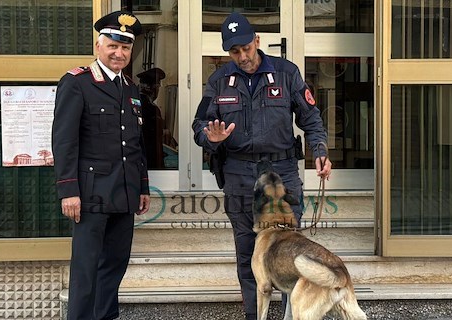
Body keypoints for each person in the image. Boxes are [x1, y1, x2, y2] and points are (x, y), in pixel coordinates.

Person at [191, 12, 332, 320]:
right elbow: (199, 125)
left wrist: (319, 150)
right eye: (234, 51)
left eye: (245, 47)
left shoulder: (286, 73)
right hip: (240, 174)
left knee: (289, 254)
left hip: (281, 173)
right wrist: (210, 137)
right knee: (247, 255)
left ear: (256, 41)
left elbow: (311, 119)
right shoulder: (219, 81)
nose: (242, 56)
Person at [52, 11, 150, 320]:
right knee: (86, 269)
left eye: (125, 48)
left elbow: (135, 145)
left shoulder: (131, 90)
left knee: (115, 265)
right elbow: (64, 140)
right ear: (99, 46)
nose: (119, 53)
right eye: (113, 46)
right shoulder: (77, 83)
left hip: (124, 193)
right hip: (90, 195)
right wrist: (68, 190)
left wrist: (142, 187)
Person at [137, 67, 176, 169]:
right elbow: (153, 139)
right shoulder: (150, 108)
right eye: (158, 87)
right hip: (150, 162)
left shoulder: (135, 104)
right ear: (153, 88)